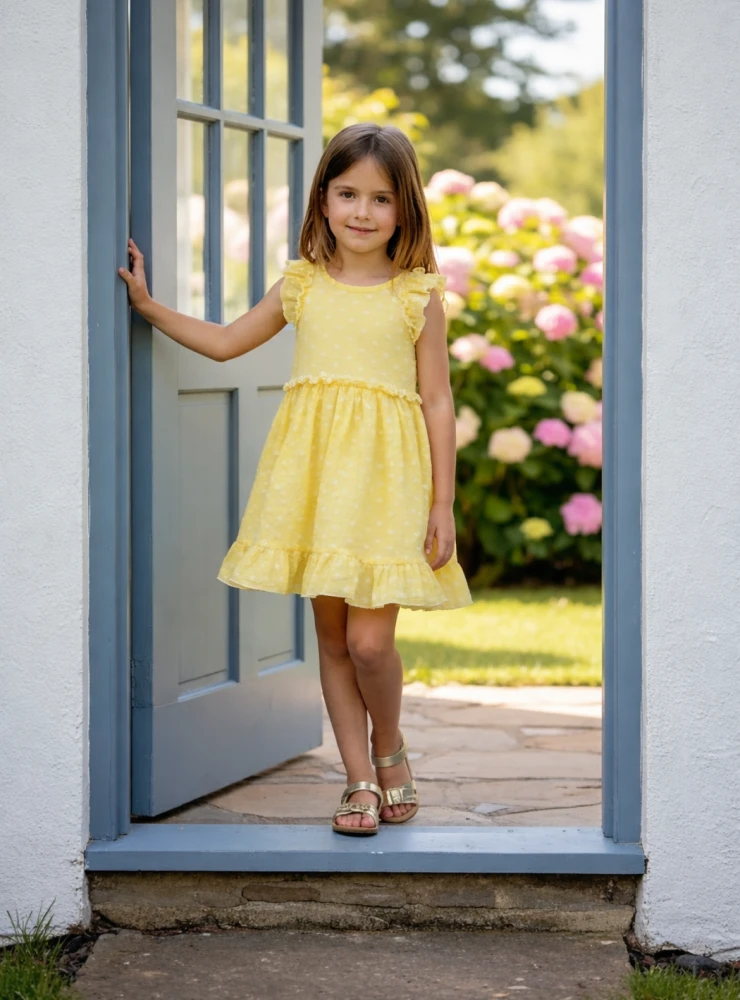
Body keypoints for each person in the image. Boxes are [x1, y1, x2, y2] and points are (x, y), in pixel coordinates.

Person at [119, 122, 473, 837]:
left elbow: (437, 399)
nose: (363, 212)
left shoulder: (416, 294)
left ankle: (390, 746)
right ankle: (357, 781)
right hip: (314, 485)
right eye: (348, 194)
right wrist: (149, 307)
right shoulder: (303, 284)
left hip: (388, 486)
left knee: (373, 645)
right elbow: (224, 343)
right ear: (323, 200)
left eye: (381, 198)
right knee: (335, 641)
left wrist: (442, 502)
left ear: (405, 209)